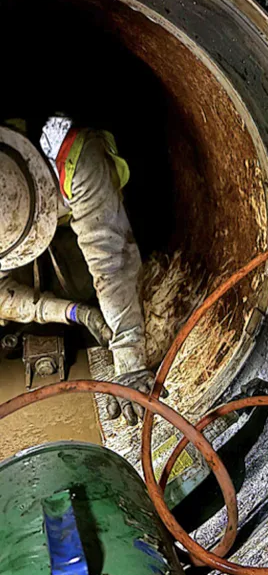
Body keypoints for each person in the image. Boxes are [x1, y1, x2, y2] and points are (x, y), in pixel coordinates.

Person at [0, 117, 156, 425]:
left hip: (109, 207)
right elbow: (2, 297)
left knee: (108, 275)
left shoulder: (73, 156)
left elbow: (112, 264)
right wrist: (76, 313)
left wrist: (129, 363)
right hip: (43, 214)